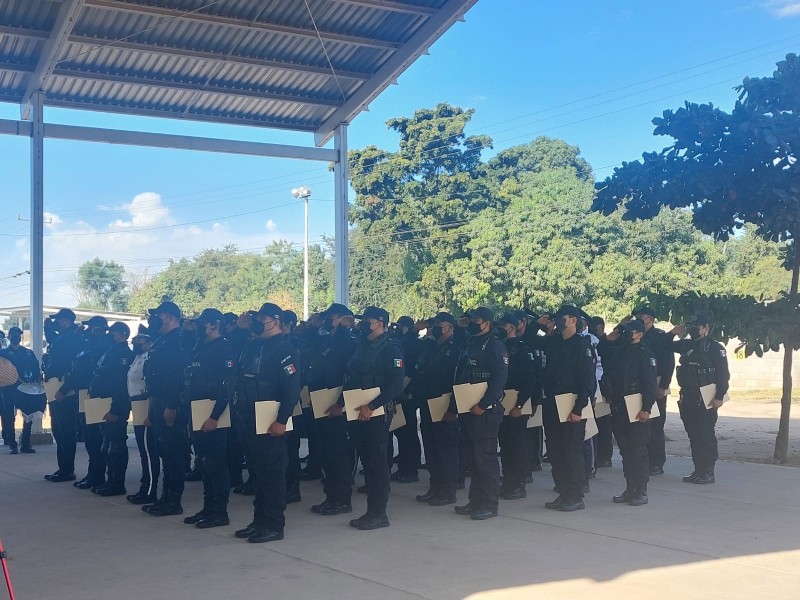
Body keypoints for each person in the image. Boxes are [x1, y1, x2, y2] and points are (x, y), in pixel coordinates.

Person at [233, 303, 299, 543]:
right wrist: (240, 330)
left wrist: (282, 420)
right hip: (248, 416)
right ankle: (258, 521)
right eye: (256, 317)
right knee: (257, 474)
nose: (258, 321)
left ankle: (273, 525)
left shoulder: (285, 349)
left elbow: (291, 390)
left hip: (270, 418)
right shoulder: (252, 345)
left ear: (277, 321)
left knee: (271, 475)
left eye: (263, 318)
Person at [344, 306, 404, 530]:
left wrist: (372, 405)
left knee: (376, 462)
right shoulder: (363, 345)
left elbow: (396, 384)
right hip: (358, 409)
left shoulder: (391, 348)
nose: (362, 325)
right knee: (367, 460)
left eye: (367, 321)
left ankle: (378, 513)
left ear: (379, 322)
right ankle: (372, 511)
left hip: (376, 411)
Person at [453, 307, 508, 521]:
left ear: (487, 323)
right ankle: (475, 500)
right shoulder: (471, 343)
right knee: (472, 458)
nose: (473, 322)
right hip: (468, 407)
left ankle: (488, 504)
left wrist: (484, 404)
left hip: (485, 411)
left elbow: (499, 380)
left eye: (476, 319)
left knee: (485, 458)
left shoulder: (495, 346)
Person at [183, 309, 236, 529]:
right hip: (197, 409)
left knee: (215, 463)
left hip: (213, 411)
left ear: (214, 325)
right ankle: (208, 508)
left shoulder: (223, 348)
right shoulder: (200, 347)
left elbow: (228, 386)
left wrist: (215, 417)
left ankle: (219, 512)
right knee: (202, 462)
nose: (198, 328)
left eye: (202, 324)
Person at [540, 305, 594, 512]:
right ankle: (563, 492)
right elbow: (531, 340)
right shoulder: (553, 341)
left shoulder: (582, 345)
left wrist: (579, 408)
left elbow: (587, 381)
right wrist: (541, 326)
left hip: (571, 405)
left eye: (562, 318)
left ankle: (575, 495)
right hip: (552, 402)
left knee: (572, 452)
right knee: (555, 451)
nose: (558, 321)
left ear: (572, 320)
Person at [600, 320, 658, 506]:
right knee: (626, 451)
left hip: (637, 406)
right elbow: (602, 353)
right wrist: (609, 339)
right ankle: (630, 488)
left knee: (638, 451)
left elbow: (650, 384)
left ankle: (640, 490)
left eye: (628, 331)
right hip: (619, 407)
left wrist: (646, 408)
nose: (624, 334)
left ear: (638, 334)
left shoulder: (645, 354)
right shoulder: (619, 351)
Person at [308, 303, 358, 517]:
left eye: (334, 317)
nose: (329, 320)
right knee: (326, 454)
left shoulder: (349, 341)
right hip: (322, 400)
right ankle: (331, 496)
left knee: (338, 455)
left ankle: (342, 499)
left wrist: (342, 403)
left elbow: (351, 374)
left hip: (338, 404)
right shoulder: (326, 339)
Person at [142, 301, 190, 517]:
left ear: (170, 317)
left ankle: (174, 500)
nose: (154, 320)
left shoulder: (178, 341)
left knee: (174, 453)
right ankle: (165, 497)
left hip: (172, 403)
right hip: (158, 400)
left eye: (158, 316)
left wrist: (172, 406)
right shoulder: (162, 341)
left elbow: (178, 378)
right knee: (164, 451)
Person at [671, 314, 730, 484]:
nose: (693, 330)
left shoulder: (715, 348)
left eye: (697, 327)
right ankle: (698, 469)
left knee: (705, 434)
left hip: (707, 396)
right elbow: (664, 346)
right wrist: (673, 333)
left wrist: (719, 397)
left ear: (706, 328)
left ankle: (708, 471)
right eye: (692, 326)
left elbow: (723, 375)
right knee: (694, 435)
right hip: (688, 396)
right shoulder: (687, 345)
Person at [413, 312, 462, 506]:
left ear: (449, 327)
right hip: (427, 402)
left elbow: (458, 380)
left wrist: (454, 408)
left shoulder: (456, 349)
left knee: (446, 450)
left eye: (439, 325)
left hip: (445, 404)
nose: (435, 328)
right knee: (431, 448)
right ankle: (435, 487)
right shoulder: (431, 346)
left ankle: (448, 490)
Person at [496, 313, 538, 501]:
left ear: (511, 327)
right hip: (502, 403)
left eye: (504, 326)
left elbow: (529, 379)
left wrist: (520, 404)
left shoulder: (522, 349)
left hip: (516, 404)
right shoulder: (500, 346)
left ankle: (518, 483)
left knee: (517, 446)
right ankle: (508, 480)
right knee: (505, 445)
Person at [89, 321, 134, 496]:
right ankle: (110, 480)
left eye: (113, 333)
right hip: (103, 403)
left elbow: (121, 384)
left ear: (123, 334)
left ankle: (117, 483)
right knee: (105, 446)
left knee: (115, 446)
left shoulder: (124, 354)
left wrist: (116, 410)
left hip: (114, 405)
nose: (109, 335)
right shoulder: (110, 351)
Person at [70, 316, 114, 491]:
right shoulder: (85, 343)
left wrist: (94, 337)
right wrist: (79, 336)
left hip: (96, 394)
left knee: (96, 437)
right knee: (88, 436)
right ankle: (92, 472)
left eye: (93, 328)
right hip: (83, 392)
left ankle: (98, 474)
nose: (90, 331)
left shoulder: (105, 345)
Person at [43, 308, 87, 482]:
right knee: (58, 430)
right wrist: (47, 328)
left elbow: (75, 367)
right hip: (55, 386)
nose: (55, 323)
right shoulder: (63, 337)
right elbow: (53, 340)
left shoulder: (73, 338)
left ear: (66, 321)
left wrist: (65, 389)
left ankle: (67, 470)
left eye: (58, 320)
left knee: (66, 430)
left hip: (63, 387)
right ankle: (63, 468)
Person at [633, 306, 676, 476]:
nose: (638, 319)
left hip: (656, 384)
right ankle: (644, 460)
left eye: (641, 317)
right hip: (639, 385)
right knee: (641, 425)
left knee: (656, 425)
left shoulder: (659, 337)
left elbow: (668, 363)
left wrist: (663, 386)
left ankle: (657, 462)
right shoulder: (635, 335)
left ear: (650, 319)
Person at [126, 329, 159, 505]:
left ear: (150, 342)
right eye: (135, 339)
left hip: (145, 405)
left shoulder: (149, 359)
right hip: (136, 405)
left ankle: (150, 490)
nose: (137, 342)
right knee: (143, 450)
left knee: (148, 451)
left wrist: (150, 412)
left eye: (141, 340)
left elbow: (151, 386)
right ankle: (144, 487)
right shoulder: (137, 358)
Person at [390, 315, 422, 483]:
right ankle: (405, 464)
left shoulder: (413, 343)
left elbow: (415, 370)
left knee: (407, 432)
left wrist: (408, 390)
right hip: (399, 392)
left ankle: (410, 468)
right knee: (401, 432)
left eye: (401, 327)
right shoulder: (397, 342)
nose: (397, 329)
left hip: (408, 392)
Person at [0, 327, 42, 454]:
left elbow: (36, 368)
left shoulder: (28, 352)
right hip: (8, 389)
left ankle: (25, 443)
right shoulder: (3, 353)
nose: (16, 337)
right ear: (9, 336)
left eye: (18, 335)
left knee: (27, 415)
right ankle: (12, 444)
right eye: (13, 334)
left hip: (26, 389)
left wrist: (36, 381)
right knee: (8, 416)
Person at [590, 316, 614, 468]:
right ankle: (599, 454)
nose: (594, 330)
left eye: (596, 327)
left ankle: (605, 456)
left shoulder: (605, 343)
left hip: (603, 386)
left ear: (602, 327)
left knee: (604, 423)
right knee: (596, 423)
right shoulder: (590, 340)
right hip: (594, 385)